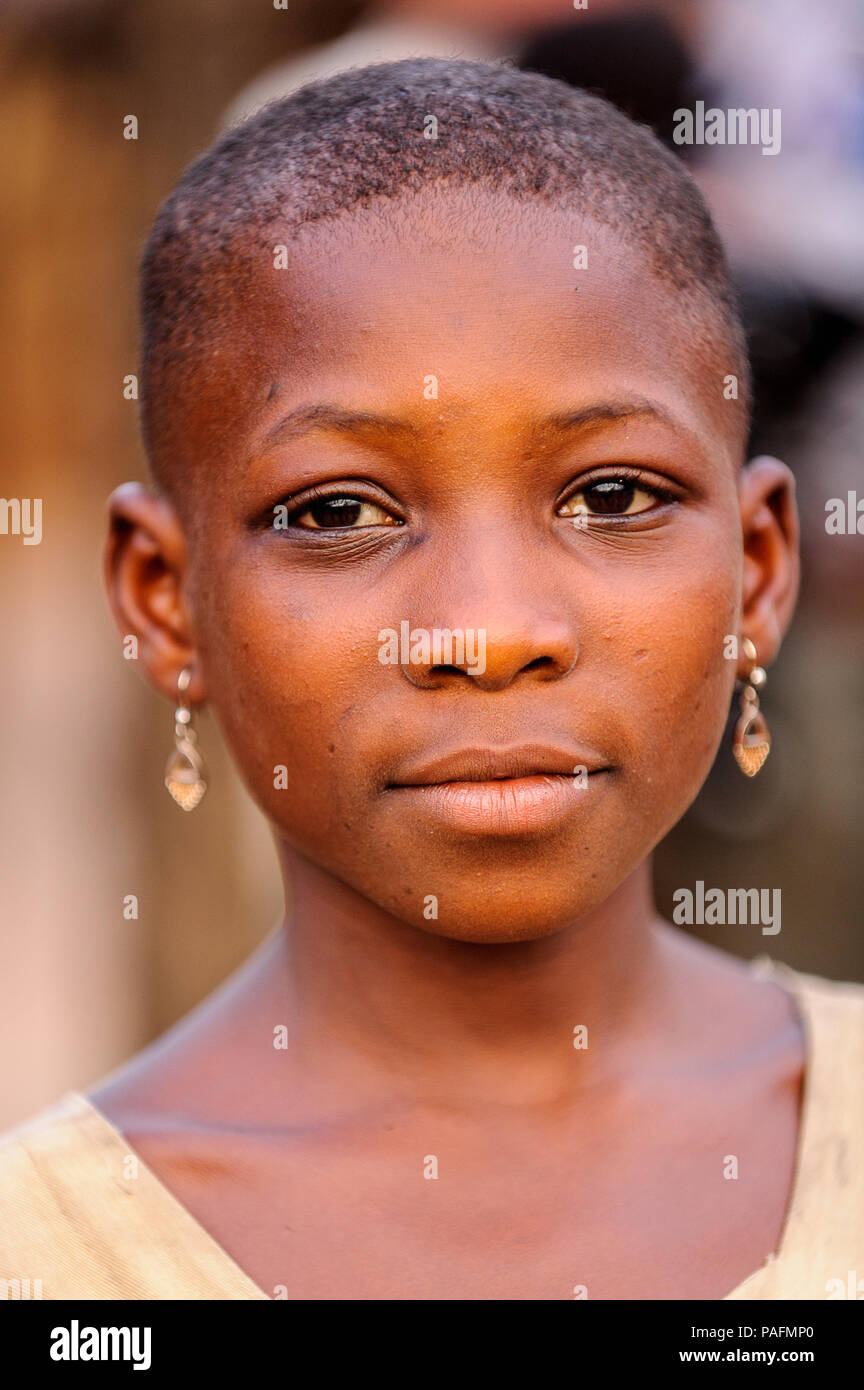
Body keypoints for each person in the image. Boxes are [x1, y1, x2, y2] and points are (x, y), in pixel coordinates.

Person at [1, 58, 862, 1302]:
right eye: (337, 509)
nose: (491, 630)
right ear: (163, 599)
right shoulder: (51, 1273)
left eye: (611, 495)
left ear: (760, 571)